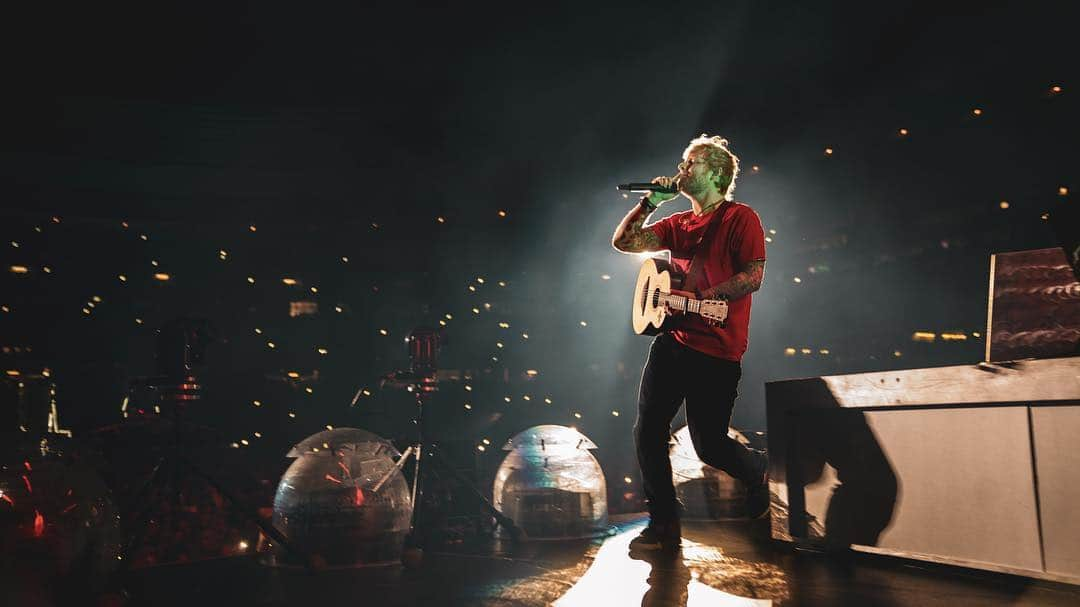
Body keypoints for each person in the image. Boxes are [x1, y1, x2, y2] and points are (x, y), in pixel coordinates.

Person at [612, 134, 769, 551]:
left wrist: (708, 298)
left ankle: (757, 470)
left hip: (717, 350)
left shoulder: (741, 218)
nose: (683, 169)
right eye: (683, 161)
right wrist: (650, 203)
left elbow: (754, 276)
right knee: (647, 430)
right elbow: (624, 243)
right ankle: (663, 523)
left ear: (717, 173)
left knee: (709, 446)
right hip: (674, 340)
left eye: (692, 163)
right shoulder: (678, 223)